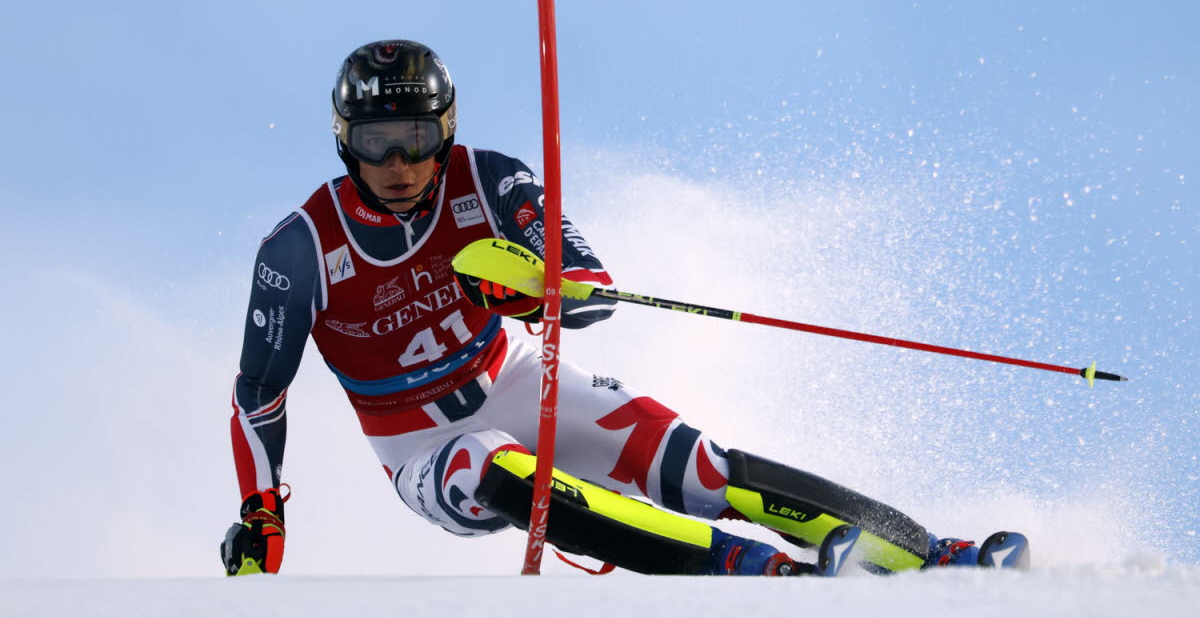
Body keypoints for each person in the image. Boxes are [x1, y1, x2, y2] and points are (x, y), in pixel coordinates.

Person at [221, 39, 1026, 577]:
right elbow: (260, 394)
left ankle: (931, 556)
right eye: (374, 142)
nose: (398, 163)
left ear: (447, 131)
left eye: (417, 138)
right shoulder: (299, 250)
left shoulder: (488, 179)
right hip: (420, 444)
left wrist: (537, 289)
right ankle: (762, 576)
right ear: (343, 139)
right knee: (491, 467)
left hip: (511, 378)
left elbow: (592, 284)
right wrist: (263, 509)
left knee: (698, 464)